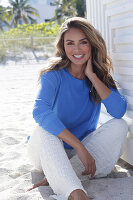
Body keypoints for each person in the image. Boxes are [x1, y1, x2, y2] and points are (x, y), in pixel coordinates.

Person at [27, 17, 128, 200]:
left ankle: (58, 176)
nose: (77, 49)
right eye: (70, 43)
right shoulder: (53, 75)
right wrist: (79, 146)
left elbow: (118, 111)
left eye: (83, 42)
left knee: (120, 125)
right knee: (45, 128)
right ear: (63, 47)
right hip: (46, 149)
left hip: (77, 155)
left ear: (92, 44)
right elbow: (40, 111)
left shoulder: (99, 77)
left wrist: (92, 76)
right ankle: (77, 193)